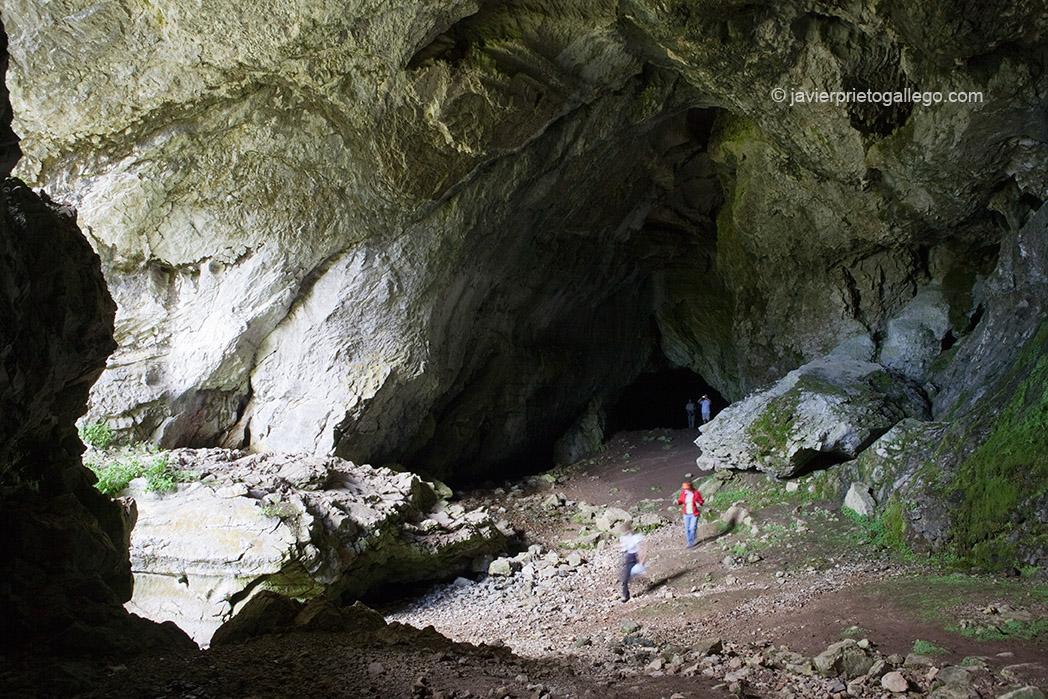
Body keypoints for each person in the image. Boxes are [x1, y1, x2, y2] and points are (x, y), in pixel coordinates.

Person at [618, 522, 645, 602]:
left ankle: (625, 596)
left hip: (632, 558)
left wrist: (641, 560)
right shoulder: (624, 538)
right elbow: (624, 548)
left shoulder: (635, 537)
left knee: (625, 578)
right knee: (625, 576)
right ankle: (626, 593)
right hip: (627, 557)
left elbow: (640, 549)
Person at [677, 480, 704, 548]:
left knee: (692, 528)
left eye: (686, 488)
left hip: (694, 514)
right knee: (687, 529)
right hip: (686, 514)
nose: (685, 489)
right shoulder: (683, 493)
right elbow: (680, 500)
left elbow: (701, 501)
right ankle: (689, 542)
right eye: (684, 488)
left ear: (690, 487)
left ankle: (692, 542)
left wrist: (699, 503)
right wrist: (678, 502)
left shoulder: (696, 493)